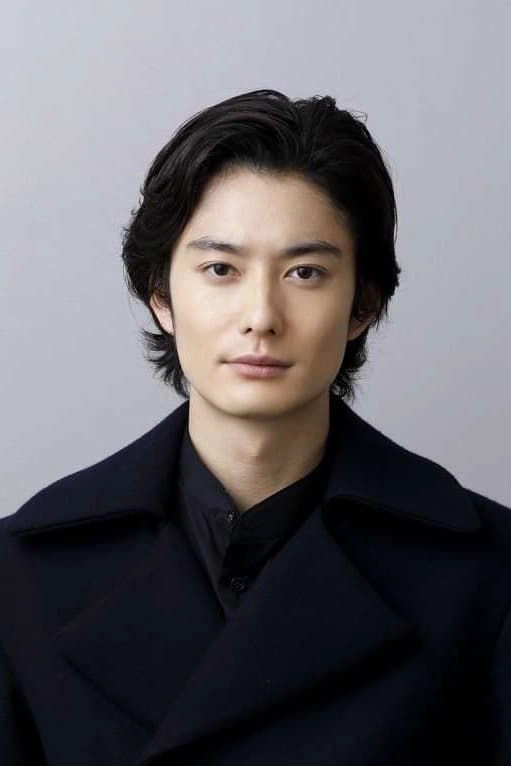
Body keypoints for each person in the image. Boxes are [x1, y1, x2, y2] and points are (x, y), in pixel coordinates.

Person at [0, 88, 509, 765]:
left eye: (305, 272)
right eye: (221, 269)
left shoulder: (485, 574)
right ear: (161, 296)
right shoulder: (23, 575)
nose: (261, 316)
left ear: (361, 305)